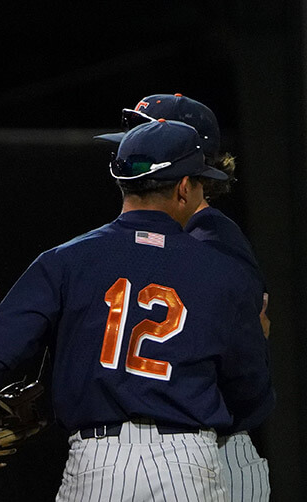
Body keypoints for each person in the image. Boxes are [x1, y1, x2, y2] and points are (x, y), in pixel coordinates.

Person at [0, 119, 275, 501]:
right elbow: (253, 394)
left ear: (122, 182)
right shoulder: (224, 272)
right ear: (183, 187)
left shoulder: (64, 260)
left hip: (100, 459)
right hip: (188, 462)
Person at [97, 93, 272, 500]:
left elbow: (244, 359)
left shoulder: (212, 241)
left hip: (215, 452)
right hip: (185, 451)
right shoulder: (170, 236)